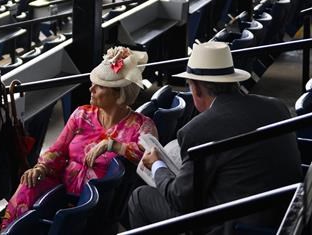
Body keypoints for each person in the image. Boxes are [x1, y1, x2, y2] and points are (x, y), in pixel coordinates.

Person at [128, 42, 300, 232]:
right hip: (288, 214)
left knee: (139, 199)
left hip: (235, 226)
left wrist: (157, 166)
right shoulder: (276, 106)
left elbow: (179, 199)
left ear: (197, 89)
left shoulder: (198, 130)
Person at [1, 47, 155, 229]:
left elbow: (151, 158)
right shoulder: (82, 114)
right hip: (63, 187)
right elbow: (57, 150)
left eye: (100, 86)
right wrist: (41, 168)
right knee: (28, 185)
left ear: (118, 94)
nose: (91, 89)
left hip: (94, 205)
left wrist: (113, 145)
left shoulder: (141, 125)